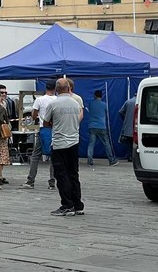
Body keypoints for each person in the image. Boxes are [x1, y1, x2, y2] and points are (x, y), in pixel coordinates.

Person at [42, 79, 85, 216]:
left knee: (61, 175)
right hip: (74, 142)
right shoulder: (75, 103)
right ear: (68, 88)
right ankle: (77, 204)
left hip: (60, 143)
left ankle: (67, 204)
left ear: (56, 89)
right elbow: (79, 118)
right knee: (73, 174)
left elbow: (46, 122)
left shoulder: (53, 103)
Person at [21, 80, 56, 190]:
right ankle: (52, 182)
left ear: (46, 88)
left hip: (43, 129)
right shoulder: (57, 100)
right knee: (54, 157)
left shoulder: (40, 100)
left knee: (36, 156)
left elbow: (34, 115)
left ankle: (30, 181)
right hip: (55, 130)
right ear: (55, 88)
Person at [87, 90, 118, 167]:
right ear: (101, 96)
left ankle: (90, 161)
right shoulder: (104, 105)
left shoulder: (90, 103)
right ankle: (111, 160)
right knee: (106, 143)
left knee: (91, 144)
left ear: (94, 95)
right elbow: (106, 113)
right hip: (101, 126)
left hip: (92, 126)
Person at [118, 95, 136, 162]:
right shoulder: (140, 102)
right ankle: (135, 157)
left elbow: (120, 112)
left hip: (128, 127)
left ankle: (129, 156)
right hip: (137, 127)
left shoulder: (128, 102)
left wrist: (125, 119)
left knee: (129, 143)